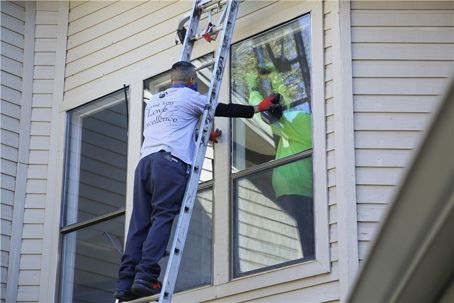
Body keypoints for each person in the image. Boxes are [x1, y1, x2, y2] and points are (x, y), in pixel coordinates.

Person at [114, 61, 279, 301]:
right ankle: (146, 276)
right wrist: (257, 108)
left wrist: (199, 135)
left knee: (139, 224)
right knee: (162, 217)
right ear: (192, 81)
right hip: (168, 165)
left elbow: (172, 126)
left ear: (172, 80)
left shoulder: (156, 102)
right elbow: (221, 108)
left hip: (145, 164)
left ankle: (125, 282)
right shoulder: (190, 97)